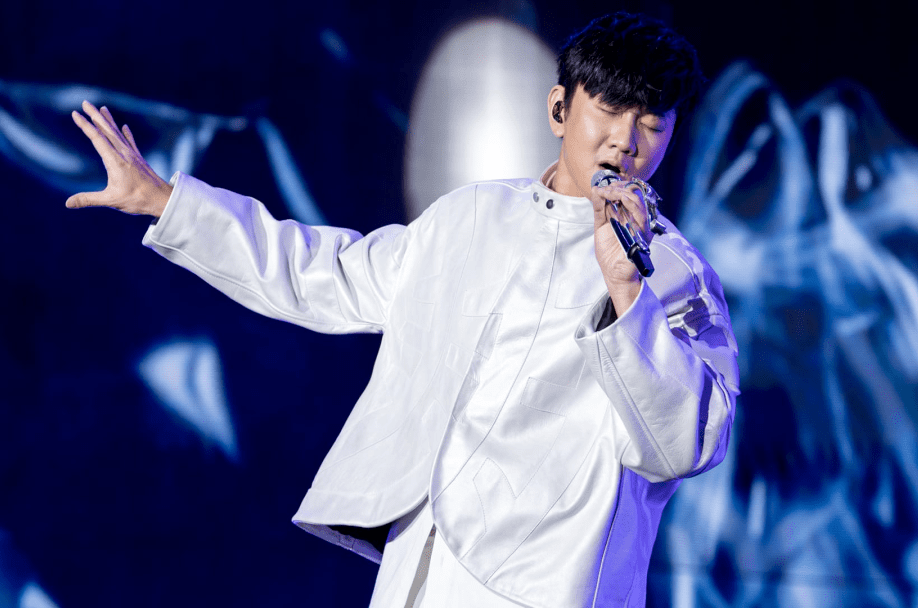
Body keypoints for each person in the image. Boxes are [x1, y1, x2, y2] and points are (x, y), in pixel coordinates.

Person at [66, 12, 739, 608]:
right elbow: (323, 272)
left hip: (548, 580)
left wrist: (626, 292)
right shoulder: (471, 217)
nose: (626, 140)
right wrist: (167, 204)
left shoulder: (675, 276)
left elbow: (686, 444)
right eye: (610, 109)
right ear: (560, 108)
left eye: (652, 123)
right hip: (422, 562)